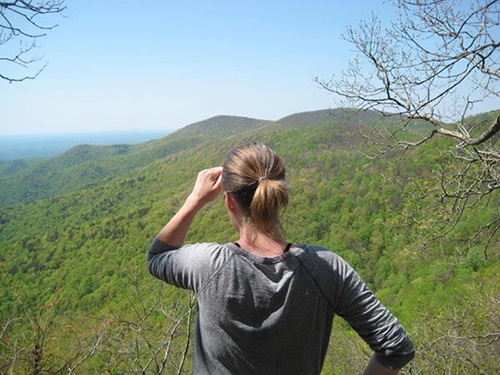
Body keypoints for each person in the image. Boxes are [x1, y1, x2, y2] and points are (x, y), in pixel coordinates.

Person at [147, 142, 415, 374]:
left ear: (229, 202)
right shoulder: (325, 268)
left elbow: (157, 256)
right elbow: (396, 347)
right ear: (278, 196)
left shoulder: (208, 265)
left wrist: (195, 200)